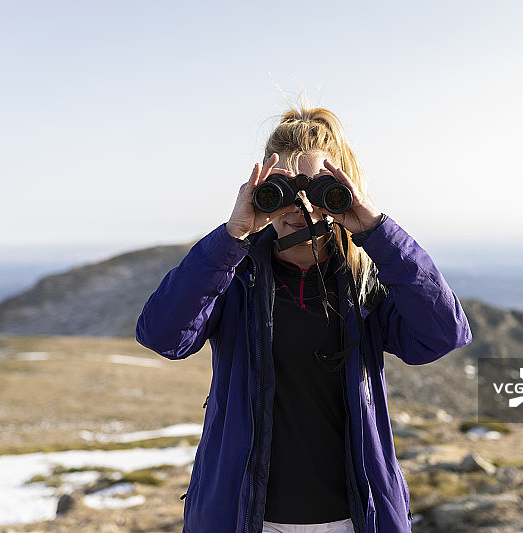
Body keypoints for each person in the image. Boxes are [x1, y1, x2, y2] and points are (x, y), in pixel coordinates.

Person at [136, 106, 472, 533]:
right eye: (283, 189)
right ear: (262, 189)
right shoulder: (234, 276)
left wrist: (377, 231)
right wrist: (230, 238)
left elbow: (443, 334)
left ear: (341, 189)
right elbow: (162, 335)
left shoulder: (365, 281)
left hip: (354, 518)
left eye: (318, 189)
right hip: (248, 518)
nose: (301, 205)